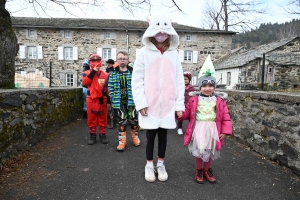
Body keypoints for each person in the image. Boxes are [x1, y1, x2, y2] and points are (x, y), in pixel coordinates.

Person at [132, 16, 185, 182]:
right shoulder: (143, 53)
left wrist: (179, 105)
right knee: (150, 136)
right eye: (158, 32)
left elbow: (179, 80)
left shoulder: (174, 54)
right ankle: (149, 165)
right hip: (150, 104)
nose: (161, 35)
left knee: (163, 137)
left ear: (170, 33)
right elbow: (137, 79)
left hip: (168, 104)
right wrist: (140, 102)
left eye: (165, 32)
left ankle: (160, 164)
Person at [177, 55, 232, 184]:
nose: (207, 88)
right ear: (199, 87)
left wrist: (225, 131)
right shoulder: (194, 99)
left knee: (210, 149)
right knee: (200, 149)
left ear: (214, 87)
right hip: (199, 128)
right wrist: (180, 114)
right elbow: (187, 113)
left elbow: (225, 117)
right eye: (204, 85)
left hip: (213, 128)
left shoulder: (219, 101)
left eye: (211, 85)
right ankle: (199, 169)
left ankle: (207, 169)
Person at [108, 51, 140, 151]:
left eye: (124, 59)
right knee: (121, 122)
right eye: (120, 58)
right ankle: (122, 141)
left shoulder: (134, 73)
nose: (122, 60)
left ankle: (135, 137)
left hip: (132, 102)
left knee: (134, 120)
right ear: (117, 60)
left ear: (128, 60)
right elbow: (110, 88)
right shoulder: (113, 74)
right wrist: (113, 99)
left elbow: (139, 86)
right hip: (119, 102)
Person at [82, 54, 110, 145]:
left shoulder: (105, 74)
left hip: (103, 98)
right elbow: (86, 82)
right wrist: (93, 71)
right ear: (90, 62)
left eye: (98, 61)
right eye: (93, 61)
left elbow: (107, 88)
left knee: (103, 117)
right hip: (91, 99)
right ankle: (92, 135)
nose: (96, 63)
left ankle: (103, 135)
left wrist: (108, 100)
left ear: (101, 62)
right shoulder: (86, 73)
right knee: (91, 117)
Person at [105, 59, 116, 129]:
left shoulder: (113, 71)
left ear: (112, 64)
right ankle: (110, 123)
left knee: (113, 109)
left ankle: (113, 123)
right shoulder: (107, 71)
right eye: (108, 63)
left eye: (109, 63)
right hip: (108, 91)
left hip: (112, 91)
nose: (108, 65)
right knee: (109, 109)